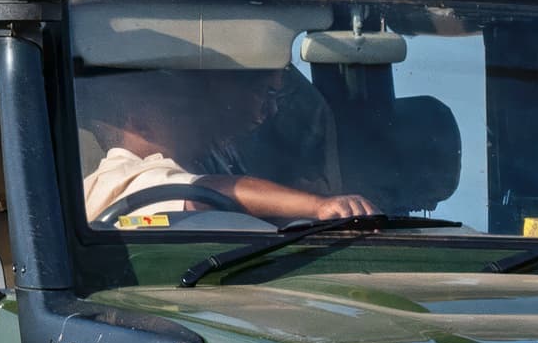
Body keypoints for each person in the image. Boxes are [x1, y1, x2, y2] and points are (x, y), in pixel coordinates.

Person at [79, 68, 376, 230]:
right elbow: (203, 194)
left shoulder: (211, 161)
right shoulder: (121, 174)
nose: (193, 114)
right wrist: (316, 205)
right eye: (180, 108)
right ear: (140, 124)